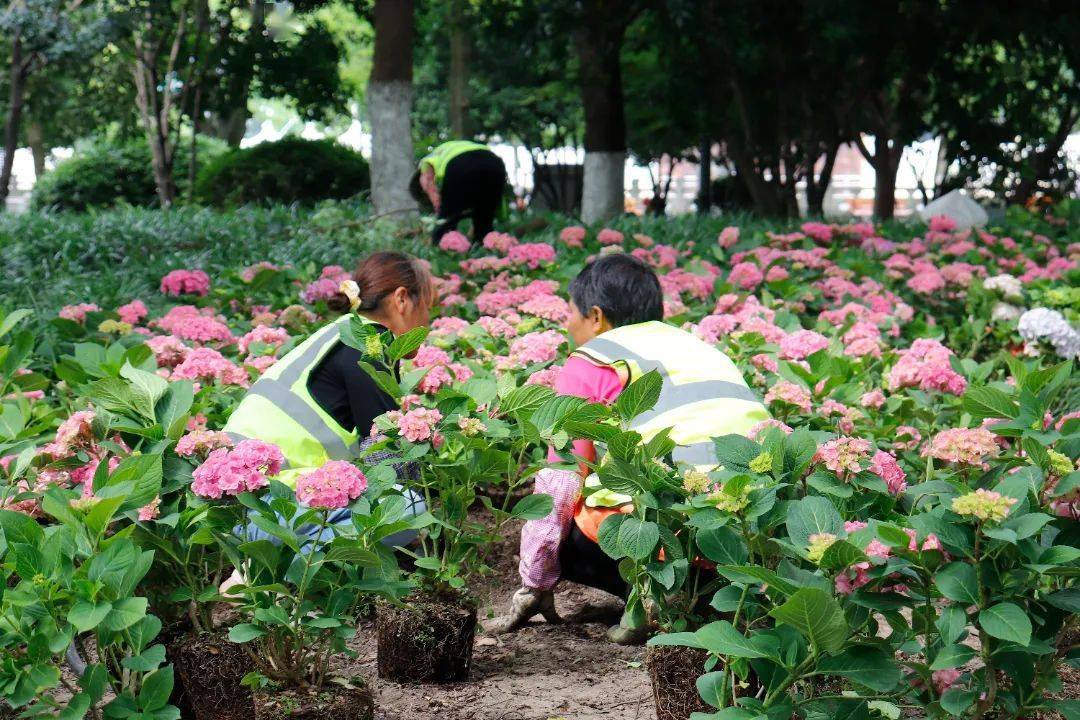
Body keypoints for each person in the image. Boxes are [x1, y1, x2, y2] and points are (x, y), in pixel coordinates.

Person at [489, 254, 770, 644]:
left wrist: (534, 580)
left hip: (676, 540)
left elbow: (563, 478)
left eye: (571, 315)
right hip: (750, 532)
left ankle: (657, 593)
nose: (568, 327)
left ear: (597, 317)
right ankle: (709, 596)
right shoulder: (699, 348)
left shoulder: (593, 356)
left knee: (565, 532)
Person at [223, 251, 434, 552]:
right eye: (428, 306)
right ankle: (288, 575)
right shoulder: (370, 346)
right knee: (409, 509)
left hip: (235, 503)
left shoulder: (341, 334)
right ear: (402, 299)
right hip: (271, 510)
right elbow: (387, 461)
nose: (428, 320)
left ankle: (262, 565)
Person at [412, 140, 507, 245]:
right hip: (494, 163)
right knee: (484, 223)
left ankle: (440, 250)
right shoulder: (454, 147)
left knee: (446, 223)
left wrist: (437, 203)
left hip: (461, 163)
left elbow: (427, 181)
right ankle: (485, 250)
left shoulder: (427, 161)